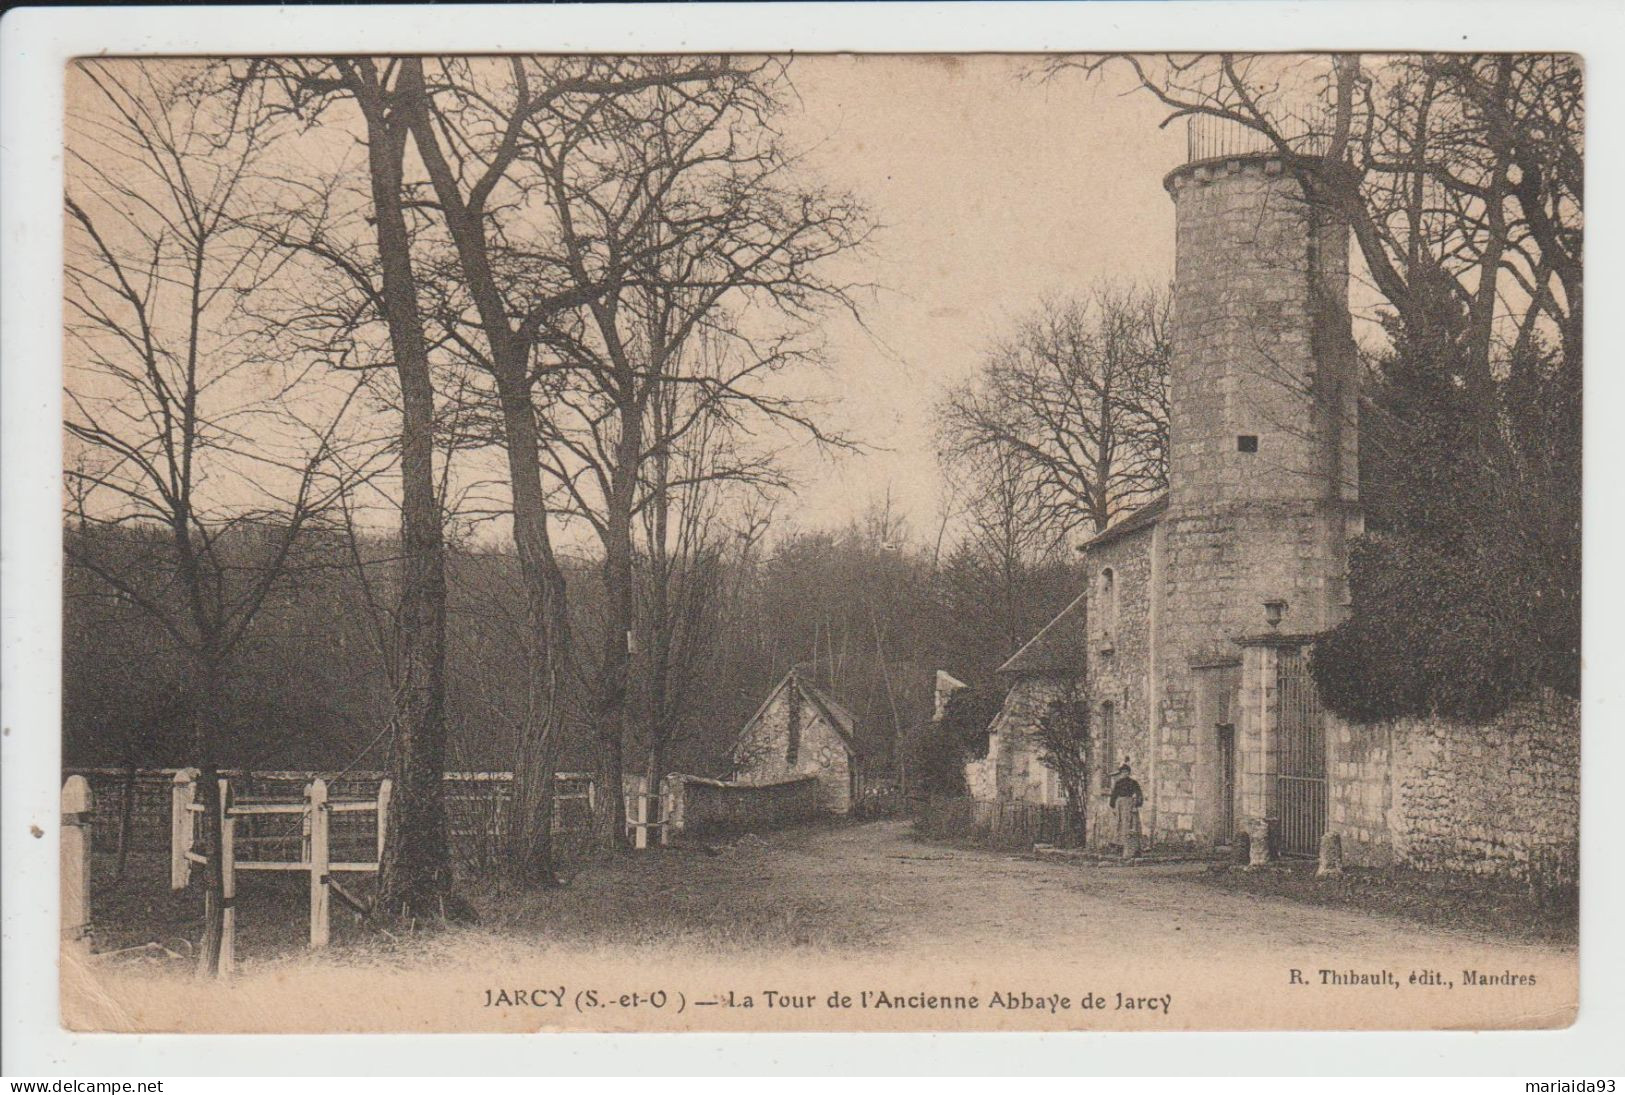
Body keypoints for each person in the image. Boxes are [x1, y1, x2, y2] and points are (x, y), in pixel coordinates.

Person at [1108, 760, 1144, 860]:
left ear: (1129, 773)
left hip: (1129, 805)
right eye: (1123, 772)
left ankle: (1132, 848)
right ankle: (1119, 845)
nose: (1124, 774)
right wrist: (1113, 806)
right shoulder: (1118, 783)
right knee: (1119, 824)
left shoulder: (1133, 782)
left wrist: (1137, 804)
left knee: (1130, 824)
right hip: (1119, 805)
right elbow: (1114, 795)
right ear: (1121, 773)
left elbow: (1139, 794)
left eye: (1126, 772)